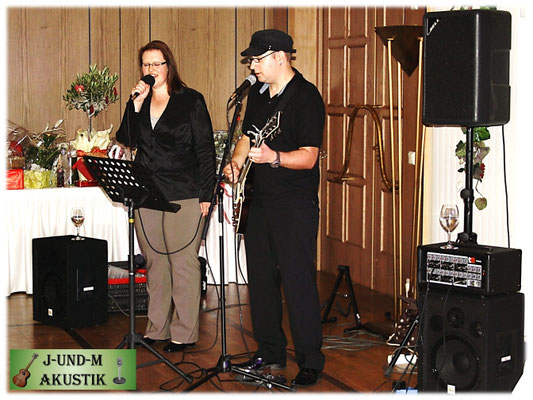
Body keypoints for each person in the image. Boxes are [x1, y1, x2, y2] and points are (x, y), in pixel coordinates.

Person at [223, 29, 325, 387]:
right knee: (261, 282)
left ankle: (311, 360)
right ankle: (270, 352)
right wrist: (236, 164)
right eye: (251, 59)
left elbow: (309, 157)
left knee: (298, 282)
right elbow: (247, 137)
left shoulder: (307, 98)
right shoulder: (258, 94)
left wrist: (274, 157)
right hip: (260, 201)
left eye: (257, 59)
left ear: (280, 57)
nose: (252, 65)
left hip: (294, 205)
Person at [116, 40, 216, 353]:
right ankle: (156, 329)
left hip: (184, 191)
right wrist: (134, 106)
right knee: (155, 262)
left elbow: (205, 150)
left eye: (157, 64)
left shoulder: (191, 100)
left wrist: (207, 194)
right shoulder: (140, 101)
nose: (151, 70)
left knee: (182, 262)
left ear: (168, 66)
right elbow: (126, 138)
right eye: (146, 64)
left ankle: (184, 333)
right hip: (147, 192)